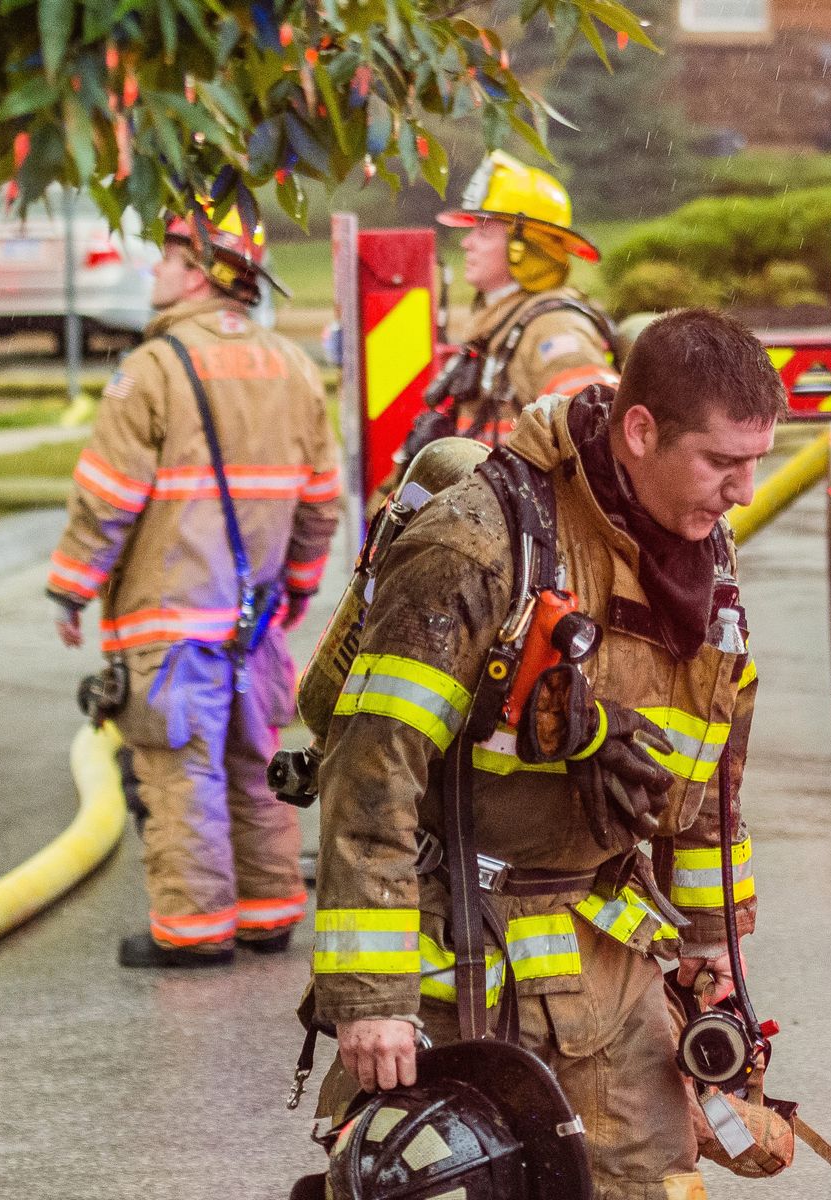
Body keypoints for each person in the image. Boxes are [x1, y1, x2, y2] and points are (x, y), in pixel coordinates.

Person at [308, 308, 787, 1199]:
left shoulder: (701, 557)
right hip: (453, 964)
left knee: (649, 1186)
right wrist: (372, 997)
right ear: (640, 431)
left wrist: (714, 945)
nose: (746, 491)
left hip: (606, 966)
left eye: (756, 460)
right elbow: (370, 767)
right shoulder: (481, 544)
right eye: (723, 462)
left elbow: (711, 776)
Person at [47, 202, 341, 968]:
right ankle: (270, 912)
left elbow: (109, 497)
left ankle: (194, 930)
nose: (154, 271)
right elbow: (319, 499)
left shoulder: (154, 370)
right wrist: (298, 587)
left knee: (181, 773)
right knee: (256, 763)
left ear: (201, 273)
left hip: (170, 620)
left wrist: (70, 585)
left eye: (167, 258)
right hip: (256, 622)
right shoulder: (295, 365)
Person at [366, 151, 619, 516]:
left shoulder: (552, 327)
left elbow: (601, 439)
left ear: (526, 248)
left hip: (519, 545)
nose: (467, 243)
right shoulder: (501, 324)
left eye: (483, 231)